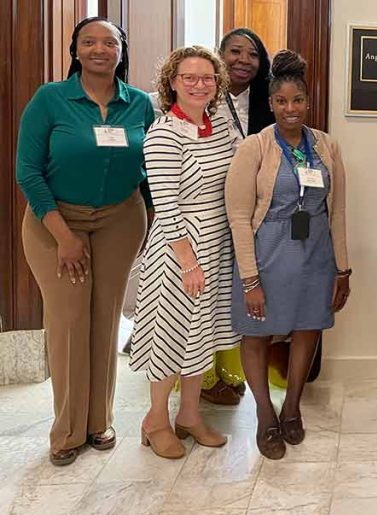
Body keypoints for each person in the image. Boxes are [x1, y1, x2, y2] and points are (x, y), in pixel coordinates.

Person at [16, 17, 152, 466]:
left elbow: (150, 165)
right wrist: (64, 236)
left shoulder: (138, 104)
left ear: (120, 50)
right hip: (55, 220)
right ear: (75, 50)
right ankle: (68, 430)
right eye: (89, 42)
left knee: (107, 316)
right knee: (70, 320)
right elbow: (28, 172)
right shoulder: (50, 99)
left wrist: (157, 218)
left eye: (109, 42)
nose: (99, 49)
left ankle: (99, 421)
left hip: (120, 219)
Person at [225, 50, 351, 460]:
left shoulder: (327, 146)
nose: (290, 109)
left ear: (308, 103)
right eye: (281, 101)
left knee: (308, 328)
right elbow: (239, 217)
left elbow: (339, 212)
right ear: (272, 104)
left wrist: (343, 269)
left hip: (316, 256)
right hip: (266, 255)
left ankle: (292, 406)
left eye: (297, 100)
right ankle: (265, 414)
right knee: (257, 333)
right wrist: (249, 279)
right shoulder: (254, 147)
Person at [129, 46, 238, 459]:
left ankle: (189, 415)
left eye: (207, 78)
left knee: (200, 336)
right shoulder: (162, 134)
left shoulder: (220, 127)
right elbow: (166, 204)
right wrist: (188, 261)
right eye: (189, 77)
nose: (198, 85)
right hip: (178, 252)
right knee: (171, 335)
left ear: (217, 84)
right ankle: (155, 419)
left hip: (216, 244)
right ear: (172, 82)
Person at [190, 28, 277, 407]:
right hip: (205, 209)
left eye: (252, 54)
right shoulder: (202, 98)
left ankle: (231, 372)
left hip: (250, 214)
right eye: (235, 52)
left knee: (236, 291)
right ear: (219, 55)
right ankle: (200, 374)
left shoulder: (267, 103)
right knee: (203, 294)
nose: (243, 60)